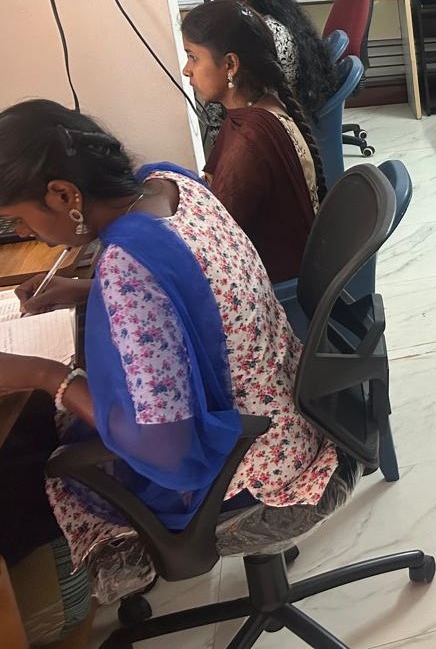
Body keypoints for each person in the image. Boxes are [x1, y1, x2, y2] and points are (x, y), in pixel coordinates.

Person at [0, 101, 341, 639]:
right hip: (292, 409)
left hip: (255, 464)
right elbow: (190, 289)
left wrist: (45, 376)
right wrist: (86, 289)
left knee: (36, 456)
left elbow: (167, 447)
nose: (25, 231)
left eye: (18, 218)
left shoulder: (128, 268)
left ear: (64, 195)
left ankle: (60, 624)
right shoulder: (170, 184)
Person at [181, 0, 326, 283]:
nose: (187, 69)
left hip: (274, 284)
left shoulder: (251, 136)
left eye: (193, 57)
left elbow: (217, 237)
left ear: (230, 64)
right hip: (289, 267)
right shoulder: (260, 105)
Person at [209, 0, 338, 119]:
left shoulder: (262, 35)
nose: (214, 2)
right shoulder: (277, 19)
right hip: (283, 111)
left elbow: (247, 95)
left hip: (277, 119)